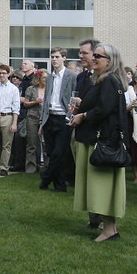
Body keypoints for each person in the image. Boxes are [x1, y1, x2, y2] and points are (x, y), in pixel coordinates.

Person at [69, 42, 129, 242]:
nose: (93, 58)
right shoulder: (101, 80)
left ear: (110, 61)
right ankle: (104, 225)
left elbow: (104, 109)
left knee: (102, 187)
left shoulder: (110, 81)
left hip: (101, 142)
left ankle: (110, 230)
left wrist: (83, 115)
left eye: (98, 56)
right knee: (97, 186)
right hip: (94, 139)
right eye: (93, 54)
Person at [39, 47, 75, 192]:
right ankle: (59, 186)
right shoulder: (49, 77)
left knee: (59, 153)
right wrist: (42, 122)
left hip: (63, 119)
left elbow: (74, 97)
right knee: (52, 153)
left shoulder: (72, 76)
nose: (54, 59)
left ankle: (46, 177)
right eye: (52, 57)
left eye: (57, 57)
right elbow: (47, 101)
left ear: (64, 58)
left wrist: (71, 116)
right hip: (50, 118)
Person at [20, 69, 44, 174]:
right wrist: (35, 102)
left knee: (46, 144)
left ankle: (47, 167)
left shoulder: (50, 89)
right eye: (43, 78)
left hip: (46, 119)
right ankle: (30, 168)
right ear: (38, 78)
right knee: (31, 144)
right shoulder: (31, 89)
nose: (46, 80)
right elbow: (25, 104)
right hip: (32, 117)